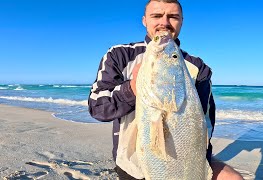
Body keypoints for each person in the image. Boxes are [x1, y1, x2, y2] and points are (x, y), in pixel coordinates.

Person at [88, 0, 243, 179]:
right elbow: (97, 107)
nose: (165, 23)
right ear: (144, 20)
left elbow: (205, 122)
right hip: (131, 166)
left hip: (185, 162)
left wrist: (200, 163)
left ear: (182, 21)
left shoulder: (198, 67)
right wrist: (131, 89)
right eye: (156, 16)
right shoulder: (120, 55)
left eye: (173, 17)